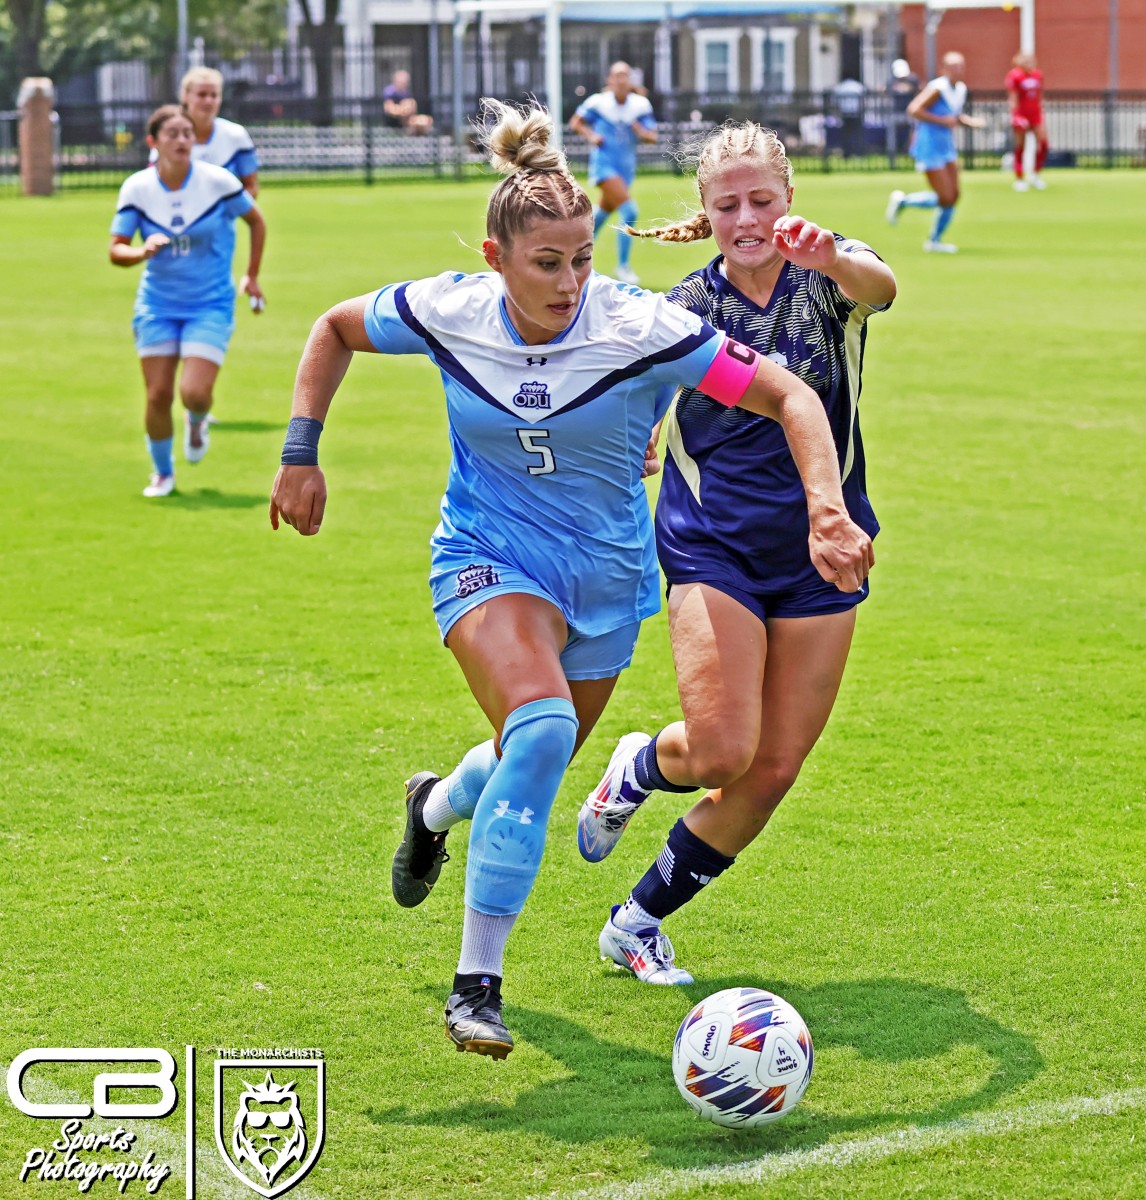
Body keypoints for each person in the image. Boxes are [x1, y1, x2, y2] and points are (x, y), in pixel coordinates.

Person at [269, 101, 873, 1060]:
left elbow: (790, 392)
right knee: (545, 730)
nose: (569, 281)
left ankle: (433, 809)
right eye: (546, 263)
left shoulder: (636, 324)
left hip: (604, 577)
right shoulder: (449, 308)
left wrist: (827, 509)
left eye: (583, 258)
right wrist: (302, 451)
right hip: (486, 556)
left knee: (529, 759)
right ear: (496, 255)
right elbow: (334, 329)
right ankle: (478, 985)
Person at [575, 121, 894, 986]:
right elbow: (637, 398)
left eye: (763, 199)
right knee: (721, 751)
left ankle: (635, 923)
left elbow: (885, 285)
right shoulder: (679, 310)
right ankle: (641, 766)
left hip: (826, 549)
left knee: (773, 769)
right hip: (712, 545)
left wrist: (829, 254)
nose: (748, 217)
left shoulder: (828, 276)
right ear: (706, 212)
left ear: (788, 198)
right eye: (728, 205)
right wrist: (637, 439)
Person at [110, 105, 266, 498]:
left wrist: (252, 274)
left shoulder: (217, 182)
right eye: (173, 134)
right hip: (157, 306)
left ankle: (197, 420)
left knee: (194, 393)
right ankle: (163, 473)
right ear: (153, 142)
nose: (182, 140)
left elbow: (256, 221)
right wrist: (142, 252)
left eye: (187, 134)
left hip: (209, 304)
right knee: (158, 395)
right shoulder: (137, 188)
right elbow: (116, 250)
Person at [885, 51, 985, 254]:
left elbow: (953, 115)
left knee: (954, 195)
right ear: (944, 69)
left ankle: (910, 208)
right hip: (929, 145)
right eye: (953, 67)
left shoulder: (960, 89)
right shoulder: (937, 88)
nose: (958, 70)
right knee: (945, 196)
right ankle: (932, 238)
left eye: (961, 66)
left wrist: (969, 122)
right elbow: (914, 109)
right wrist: (942, 121)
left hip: (946, 145)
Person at [568, 61, 658, 284]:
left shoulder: (640, 105)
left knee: (601, 215)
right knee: (629, 212)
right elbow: (576, 122)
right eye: (617, 75)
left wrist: (640, 131)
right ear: (610, 80)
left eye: (625, 75)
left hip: (625, 168)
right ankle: (623, 267)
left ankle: (576, 257)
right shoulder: (599, 103)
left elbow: (652, 136)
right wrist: (591, 137)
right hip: (604, 166)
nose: (621, 79)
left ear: (630, 80)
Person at [170, 67, 261, 197]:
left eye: (214, 95)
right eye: (201, 94)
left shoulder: (236, 135)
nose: (208, 101)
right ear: (185, 96)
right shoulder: (167, 136)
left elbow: (251, 186)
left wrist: (222, 210)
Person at [1005, 52, 1048, 191]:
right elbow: (1013, 97)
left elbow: (1039, 96)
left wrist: (1041, 113)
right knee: (1020, 146)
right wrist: (1015, 116)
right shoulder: (1015, 76)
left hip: (1035, 114)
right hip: (1022, 114)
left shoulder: (1038, 75)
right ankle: (1019, 178)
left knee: (1043, 144)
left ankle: (1035, 175)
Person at [886, 58, 921, 164]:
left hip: (911, 112)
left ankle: (913, 154)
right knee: (892, 133)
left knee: (915, 131)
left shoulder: (913, 80)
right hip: (896, 111)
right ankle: (893, 155)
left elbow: (917, 92)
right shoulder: (891, 81)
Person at [382, 69, 434, 135]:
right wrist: (402, 110)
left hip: (406, 119)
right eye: (401, 82)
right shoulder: (390, 92)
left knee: (425, 121)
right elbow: (388, 109)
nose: (404, 84)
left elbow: (412, 107)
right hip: (393, 120)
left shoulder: (406, 93)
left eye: (405, 82)